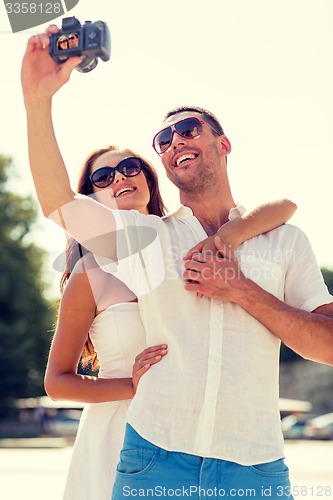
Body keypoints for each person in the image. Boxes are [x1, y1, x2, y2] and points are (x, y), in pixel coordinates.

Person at [21, 25, 333, 499]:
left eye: (187, 130)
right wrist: (37, 98)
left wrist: (242, 290)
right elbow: (58, 204)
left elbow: (328, 346)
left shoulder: (286, 241)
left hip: (256, 469)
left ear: (223, 144)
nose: (173, 142)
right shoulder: (147, 239)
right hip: (153, 461)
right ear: (163, 164)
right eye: (162, 140)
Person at [45, 146, 169, 500]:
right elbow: (57, 383)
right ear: (90, 200)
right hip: (115, 438)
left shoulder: (184, 251)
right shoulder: (90, 274)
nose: (119, 178)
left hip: (186, 428)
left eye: (129, 168)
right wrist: (132, 386)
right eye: (103, 177)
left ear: (147, 178)